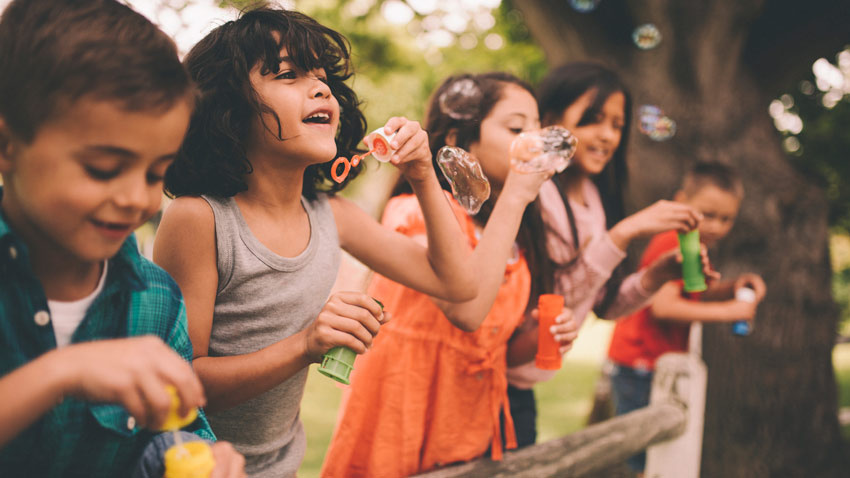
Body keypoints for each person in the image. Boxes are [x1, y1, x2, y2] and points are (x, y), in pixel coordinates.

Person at [152, 7, 476, 477]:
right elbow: (181, 383)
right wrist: (305, 345)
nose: (321, 88)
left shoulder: (331, 215)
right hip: (197, 468)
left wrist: (424, 176)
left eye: (323, 78)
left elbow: (457, 283)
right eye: (287, 74)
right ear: (228, 104)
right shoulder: (199, 219)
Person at [0, 0, 244, 477]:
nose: (138, 198)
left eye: (157, 173)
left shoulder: (156, 299)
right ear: (8, 147)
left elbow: (177, 428)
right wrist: (59, 373)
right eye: (103, 169)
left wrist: (203, 456)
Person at [321, 72, 579, 478]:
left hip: (470, 428)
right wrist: (516, 195)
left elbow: (489, 346)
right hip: (403, 416)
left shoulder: (510, 237)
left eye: (537, 127)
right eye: (516, 127)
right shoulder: (419, 213)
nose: (535, 141)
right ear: (459, 141)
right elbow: (467, 311)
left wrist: (539, 340)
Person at [505, 62, 705, 447]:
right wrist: (620, 235)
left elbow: (604, 304)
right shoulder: (534, 194)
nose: (608, 136)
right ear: (549, 120)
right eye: (593, 119)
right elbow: (556, 295)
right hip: (496, 375)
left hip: (523, 388)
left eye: (617, 125)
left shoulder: (598, 200)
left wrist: (655, 276)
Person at [607, 160, 766, 473]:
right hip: (639, 363)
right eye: (708, 214)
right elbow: (664, 307)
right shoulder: (672, 240)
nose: (717, 226)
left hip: (658, 364)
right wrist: (728, 312)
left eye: (727, 219)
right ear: (681, 202)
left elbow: (691, 294)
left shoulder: (695, 244)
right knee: (644, 456)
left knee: (661, 452)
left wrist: (732, 288)